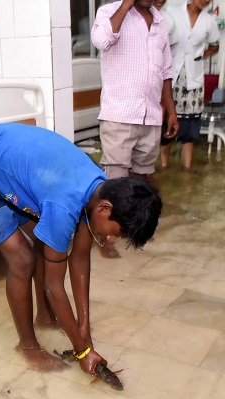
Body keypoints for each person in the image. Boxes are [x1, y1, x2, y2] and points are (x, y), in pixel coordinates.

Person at [0, 122, 162, 373]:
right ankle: (27, 346)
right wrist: (83, 351)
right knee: (23, 260)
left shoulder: (99, 187)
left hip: (5, 166)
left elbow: (79, 260)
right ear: (105, 208)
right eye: (115, 233)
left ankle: (45, 317)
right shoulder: (65, 204)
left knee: (44, 242)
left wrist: (84, 328)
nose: (111, 240)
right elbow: (54, 285)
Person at [91, 0, 177, 258]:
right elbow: (102, 40)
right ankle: (107, 238)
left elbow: (165, 71)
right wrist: (126, 4)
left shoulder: (161, 23)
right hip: (119, 112)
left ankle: (137, 226)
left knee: (142, 178)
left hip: (150, 114)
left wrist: (171, 110)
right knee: (115, 179)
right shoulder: (109, 12)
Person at [160, 0, 219, 171]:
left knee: (190, 126)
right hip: (171, 76)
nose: (205, 1)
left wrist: (201, 55)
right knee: (166, 124)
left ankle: (186, 170)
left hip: (193, 78)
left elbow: (215, 45)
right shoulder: (172, 12)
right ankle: (164, 166)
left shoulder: (208, 20)